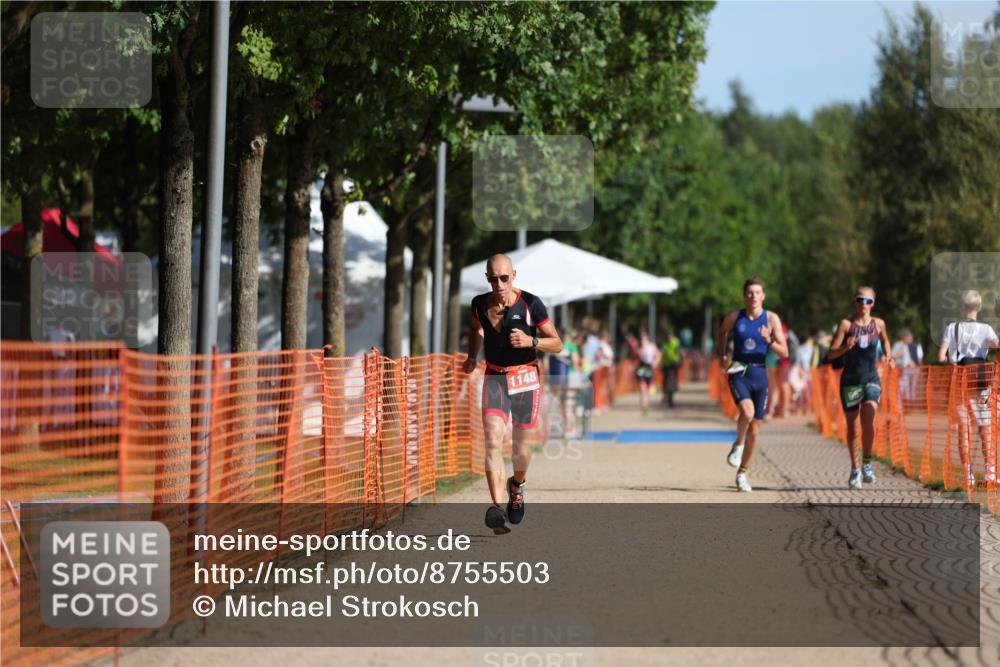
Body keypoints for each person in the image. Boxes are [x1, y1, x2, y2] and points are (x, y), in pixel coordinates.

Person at [462, 254, 562, 534]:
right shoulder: (479, 304)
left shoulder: (531, 303)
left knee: (521, 449)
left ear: (514, 275)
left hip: (525, 377)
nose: (498, 283)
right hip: (494, 376)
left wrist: (532, 340)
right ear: (487, 278)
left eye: (504, 278)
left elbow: (558, 344)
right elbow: (476, 327)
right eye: (493, 278)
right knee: (493, 440)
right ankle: (496, 509)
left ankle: (516, 486)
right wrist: (472, 356)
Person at [716, 276, 789, 492]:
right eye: (750, 293)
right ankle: (738, 444)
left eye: (757, 292)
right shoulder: (734, 317)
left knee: (755, 430)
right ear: (744, 296)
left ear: (763, 296)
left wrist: (770, 340)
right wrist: (722, 355)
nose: (753, 296)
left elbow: (785, 352)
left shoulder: (771, 319)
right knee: (746, 414)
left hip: (760, 373)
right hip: (739, 370)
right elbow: (721, 332)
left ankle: (743, 474)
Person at [827, 286, 895, 489]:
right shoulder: (846, 325)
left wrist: (888, 355)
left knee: (870, 415)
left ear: (873, 303)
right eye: (860, 300)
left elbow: (885, 340)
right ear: (854, 301)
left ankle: (867, 463)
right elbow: (831, 354)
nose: (864, 304)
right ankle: (855, 469)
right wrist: (845, 347)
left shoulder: (879, 324)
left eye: (868, 301)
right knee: (853, 427)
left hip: (871, 378)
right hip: (850, 380)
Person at [937, 290, 999, 486]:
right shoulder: (987, 329)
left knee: (964, 428)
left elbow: (941, 357)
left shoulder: (952, 328)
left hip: (959, 381)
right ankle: (990, 472)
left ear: (961, 308)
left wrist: (951, 359)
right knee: (985, 427)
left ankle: (968, 474)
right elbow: (998, 347)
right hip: (981, 382)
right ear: (979, 308)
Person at [891, 329, 922, 404]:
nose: (911, 339)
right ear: (904, 337)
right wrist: (899, 353)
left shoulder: (905, 346)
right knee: (899, 388)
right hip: (898, 369)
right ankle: (897, 405)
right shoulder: (898, 344)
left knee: (904, 388)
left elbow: (907, 357)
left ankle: (902, 405)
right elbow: (892, 356)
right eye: (909, 338)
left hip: (904, 370)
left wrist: (912, 364)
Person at [635, 329, 661, 415]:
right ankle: (643, 407)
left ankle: (646, 406)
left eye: (644, 339)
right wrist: (642, 348)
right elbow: (639, 356)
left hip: (649, 368)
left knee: (648, 390)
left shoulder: (652, 346)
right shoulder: (640, 348)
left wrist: (655, 363)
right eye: (641, 339)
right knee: (643, 389)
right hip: (642, 368)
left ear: (647, 339)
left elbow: (658, 354)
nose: (643, 340)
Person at [660, 330, 682, 407]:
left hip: (674, 364)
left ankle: (670, 396)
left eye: (670, 336)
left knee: (671, 379)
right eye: (668, 337)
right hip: (666, 364)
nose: (669, 338)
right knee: (665, 380)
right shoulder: (664, 343)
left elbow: (679, 351)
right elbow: (662, 353)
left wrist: (680, 360)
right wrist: (660, 362)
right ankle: (666, 394)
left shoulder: (676, 342)